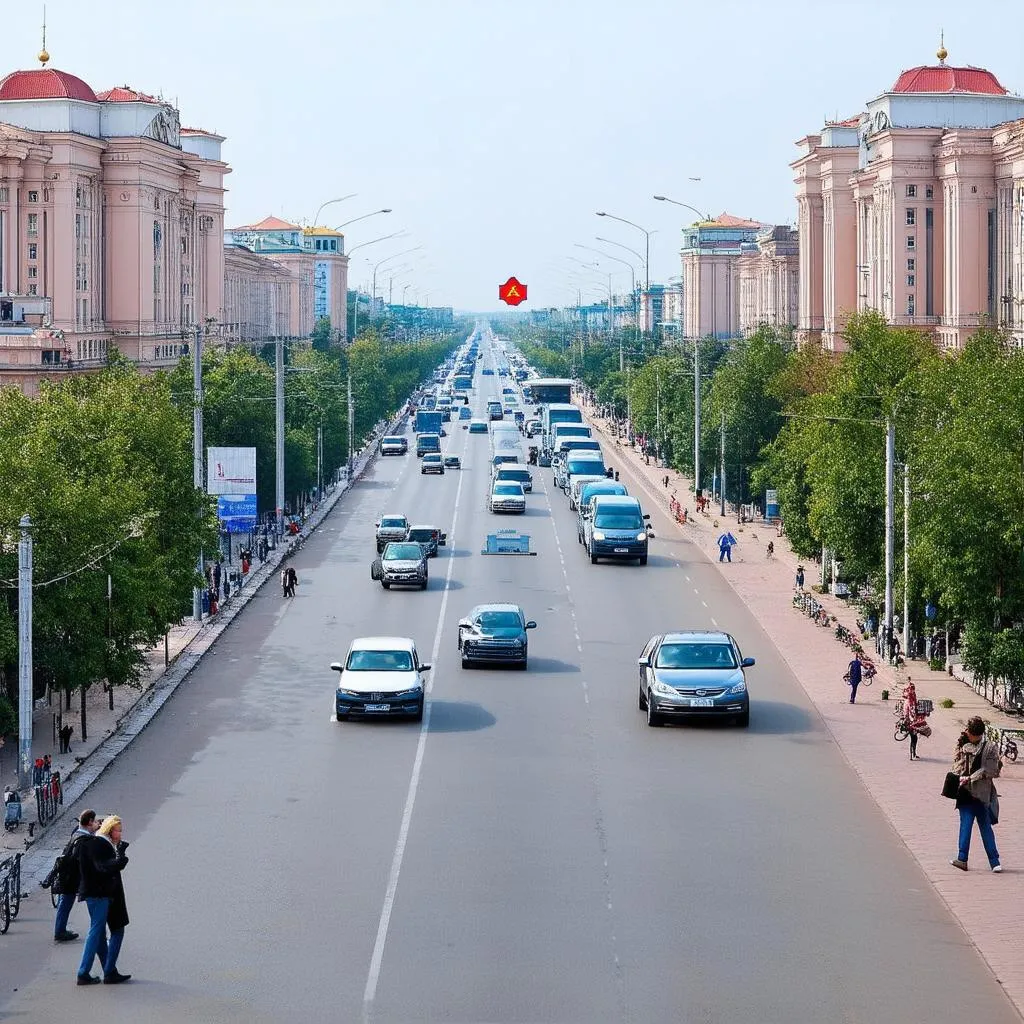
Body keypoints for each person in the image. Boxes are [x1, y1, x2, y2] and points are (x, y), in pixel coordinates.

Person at [76, 814, 131, 985]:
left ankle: (109, 970)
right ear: (110, 830)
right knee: (98, 932)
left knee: (99, 933)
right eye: (118, 831)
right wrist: (121, 859)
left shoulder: (93, 842)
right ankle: (84, 971)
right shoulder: (100, 844)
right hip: (100, 894)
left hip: (93, 893)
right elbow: (103, 867)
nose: (120, 834)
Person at [950, 717, 1001, 873]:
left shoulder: (965, 746)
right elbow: (994, 771)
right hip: (983, 793)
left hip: (966, 792)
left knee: (966, 825)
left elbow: (956, 767)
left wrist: (970, 778)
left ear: (971, 733)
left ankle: (962, 859)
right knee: (985, 827)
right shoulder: (991, 747)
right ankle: (995, 862)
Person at [47, 809, 99, 942]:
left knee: (64, 903)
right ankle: (60, 932)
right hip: (71, 877)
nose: (97, 825)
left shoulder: (76, 832)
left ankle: (60, 930)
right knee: (66, 903)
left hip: (67, 875)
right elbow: (82, 861)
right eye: (95, 822)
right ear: (89, 822)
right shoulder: (83, 840)